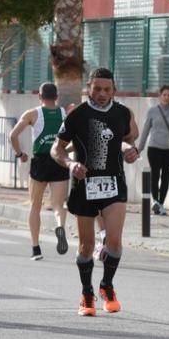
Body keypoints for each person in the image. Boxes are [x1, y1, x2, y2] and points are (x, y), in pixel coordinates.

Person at [51, 68, 140, 317]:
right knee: (86, 246)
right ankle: (86, 293)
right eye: (97, 89)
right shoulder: (77, 115)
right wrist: (70, 164)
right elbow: (56, 150)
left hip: (114, 183)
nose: (102, 94)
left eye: (107, 89)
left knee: (114, 241)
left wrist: (130, 151)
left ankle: (107, 287)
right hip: (85, 186)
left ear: (114, 90)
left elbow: (128, 139)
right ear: (88, 87)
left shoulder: (123, 113)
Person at [9, 81, 70, 260]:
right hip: (59, 159)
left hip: (40, 161)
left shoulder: (32, 114)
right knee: (59, 205)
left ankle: (36, 249)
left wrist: (20, 153)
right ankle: (60, 226)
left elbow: (13, 135)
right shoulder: (64, 113)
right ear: (57, 97)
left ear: (40, 96)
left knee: (35, 206)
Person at [137, 84, 169, 216]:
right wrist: (139, 148)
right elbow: (146, 129)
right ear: (160, 96)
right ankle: (155, 201)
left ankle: (161, 204)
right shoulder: (152, 111)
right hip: (154, 148)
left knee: (166, 177)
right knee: (155, 174)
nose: (166, 97)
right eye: (164, 94)